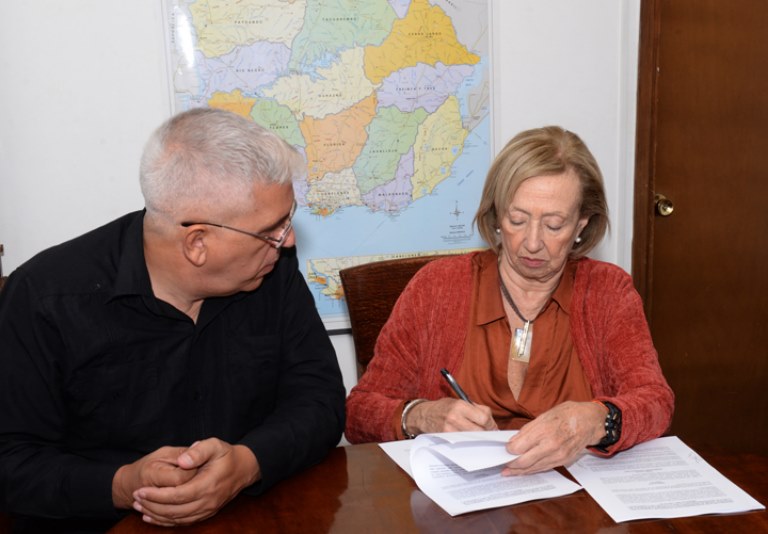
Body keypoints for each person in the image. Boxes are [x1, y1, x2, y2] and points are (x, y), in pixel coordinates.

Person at [0, 108, 345, 531]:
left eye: (288, 222)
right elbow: (12, 459)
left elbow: (320, 399)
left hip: (255, 518)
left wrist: (248, 463)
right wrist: (122, 484)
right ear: (197, 243)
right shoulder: (46, 297)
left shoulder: (272, 270)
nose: (287, 241)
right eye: (272, 230)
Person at [345, 126, 674, 475]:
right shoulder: (437, 288)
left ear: (581, 224)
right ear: (498, 215)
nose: (532, 243)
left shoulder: (608, 292)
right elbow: (359, 414)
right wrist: (420, 415)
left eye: (554, 225)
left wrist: (596, 420)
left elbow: (656, 402)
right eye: (517, 220)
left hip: (573, 508)